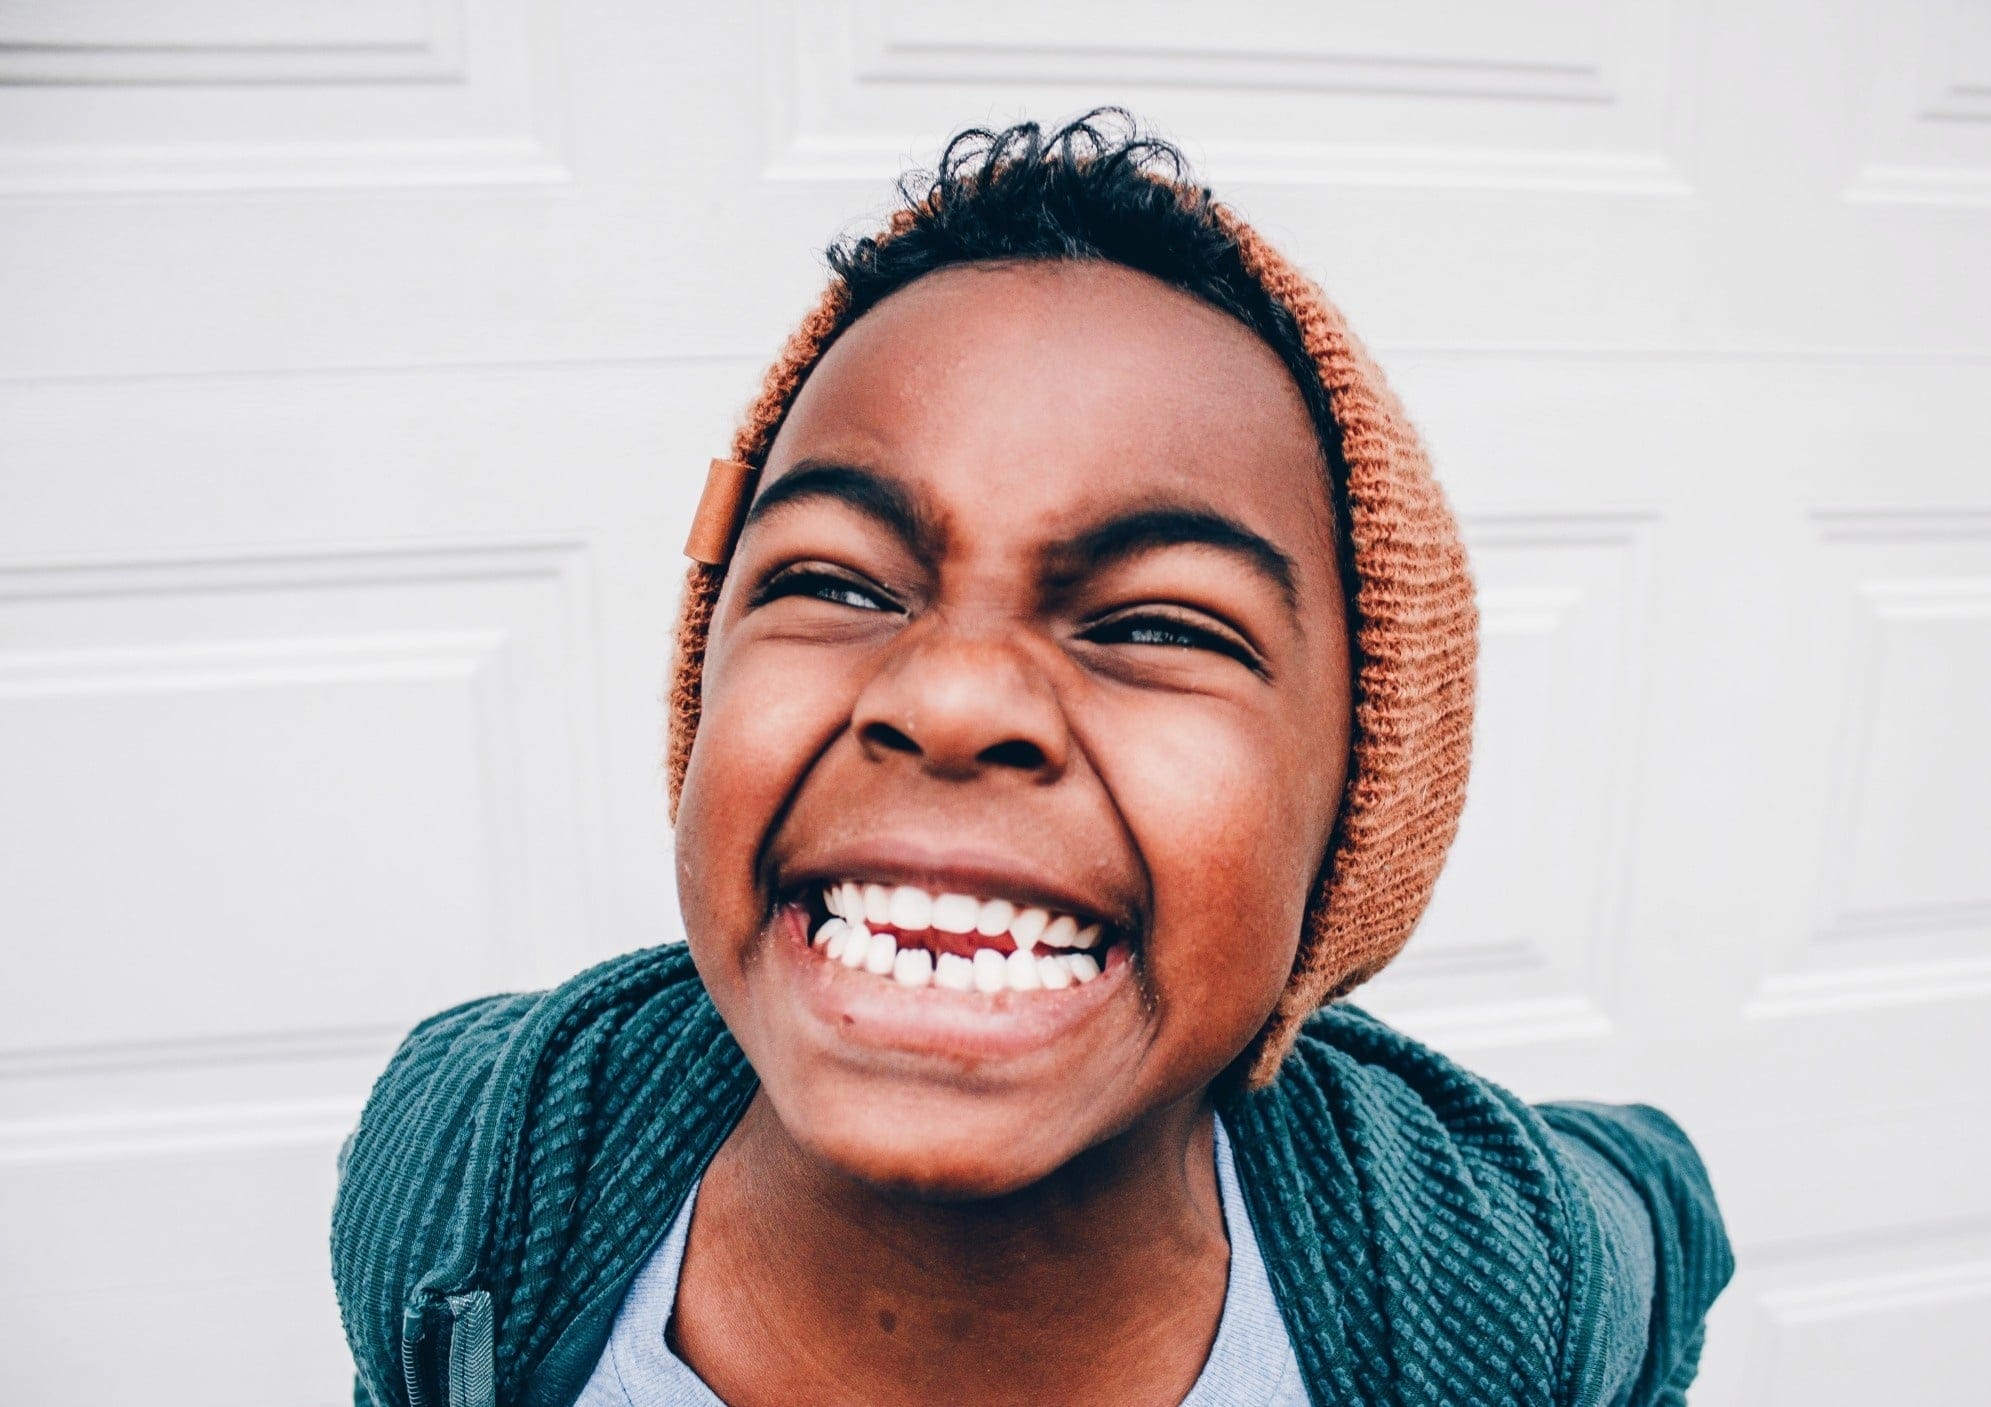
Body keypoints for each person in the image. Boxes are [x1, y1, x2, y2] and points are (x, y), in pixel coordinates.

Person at [331, 109, 1733, 1407]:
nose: (951, 697)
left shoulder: (1480, 1263)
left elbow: (1666, 1206)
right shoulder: (472, 1173)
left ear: (1354, 827)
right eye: (840, 582)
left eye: (1156, 621)